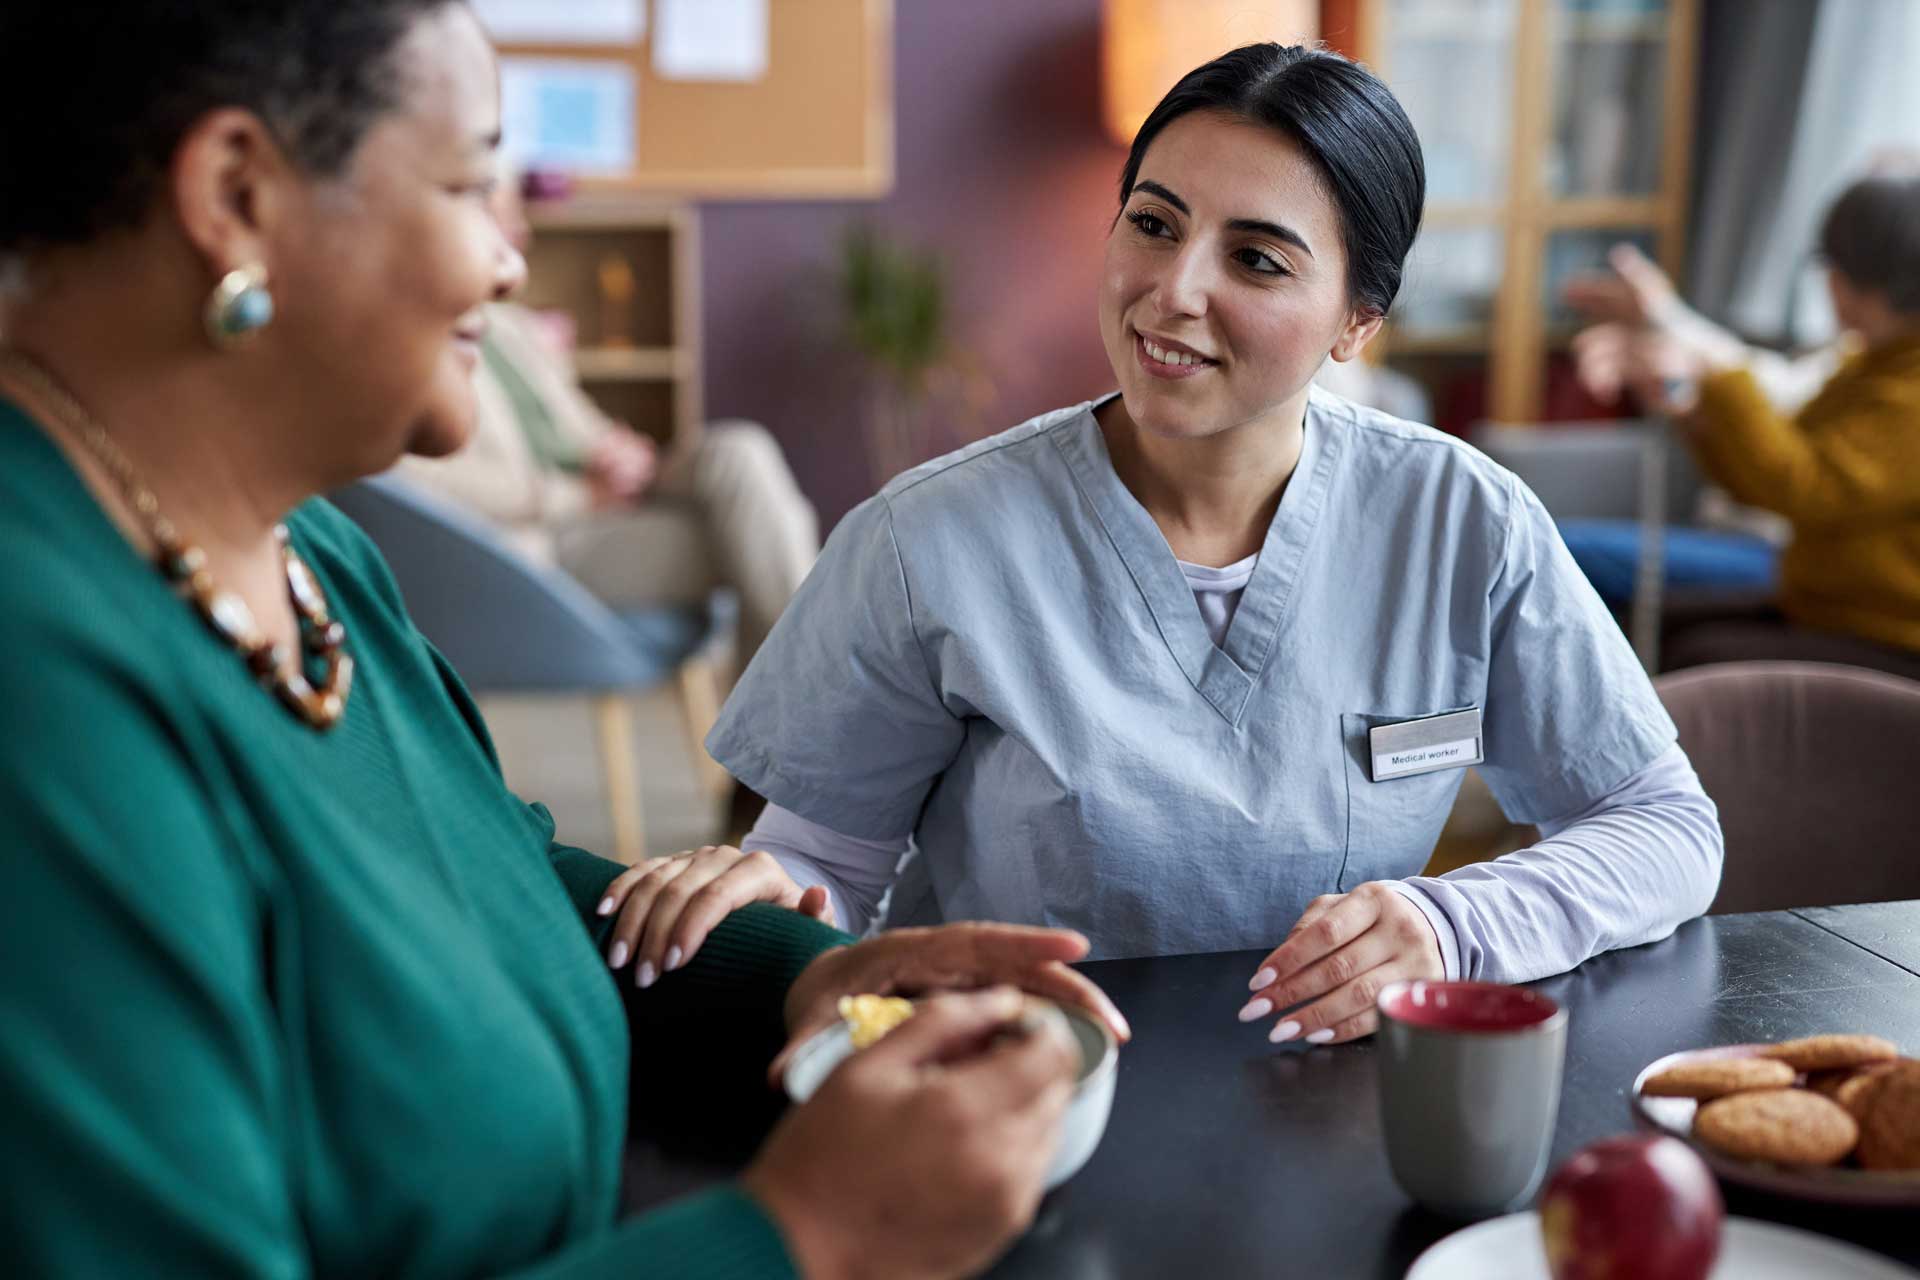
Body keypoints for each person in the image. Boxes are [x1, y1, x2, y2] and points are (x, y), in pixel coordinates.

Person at [0, 4, 1128, 1277]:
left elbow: (484, 876)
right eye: (476, 181)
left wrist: (805, 983)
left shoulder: (308, 550)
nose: (511, 259)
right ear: (237, 193)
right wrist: (800, 1235)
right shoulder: (42, 689)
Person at [601, 45, 1724, 1048]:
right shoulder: (924, 540)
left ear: (1358, 321)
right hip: (1022, 1094)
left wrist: (1454, 919)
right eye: (1153, 222)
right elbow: (828, 870)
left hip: (1330, 1103)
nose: (1173, 291)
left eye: (1258, 260)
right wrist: (758, 891)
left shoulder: (1463, 523)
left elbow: (1665, 825)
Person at [394, 174, 819, 683]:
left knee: (740, 451)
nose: (522, 236)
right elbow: (420, 483)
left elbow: (581, 426)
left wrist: (619, 451)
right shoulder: (416, 342)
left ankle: (787, 728)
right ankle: (799, 717)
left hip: (605, 491)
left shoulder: (511, 330)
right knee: (764, 536)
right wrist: (576, 495)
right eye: (508, 219)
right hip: (549, 537)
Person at [1569, 181, 1920, 678]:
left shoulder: (1904, 383)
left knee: (1696, 653)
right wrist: (1694, 417)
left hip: (1883, 631)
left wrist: (1715, 377)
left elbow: (1805, 486)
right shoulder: (1871, 363)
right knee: (1658, 628)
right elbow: (1770, 472)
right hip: (1822, 604)